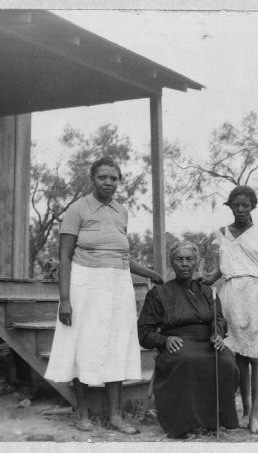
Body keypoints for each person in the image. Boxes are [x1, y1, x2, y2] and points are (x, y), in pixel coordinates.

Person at [44, 156, 164, 434]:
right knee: (83, 345)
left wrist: (150, 274)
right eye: (103, 177)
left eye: (114, 178)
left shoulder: (122, 212)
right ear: (92, 179)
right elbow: (64, 256)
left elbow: (121, 254)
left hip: (118, 285)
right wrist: (65, 299)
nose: (108, 183)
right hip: (85, 284)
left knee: (116, 346)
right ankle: (83, 413)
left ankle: (115, 416)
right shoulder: (77, 209)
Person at [137, 241, 240, 438]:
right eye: (179, 259)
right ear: (172, 264)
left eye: (189, 259)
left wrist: (217, 334)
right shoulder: (158, 293)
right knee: (189, 361)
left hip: (207, 342)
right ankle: (185, 423)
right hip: (178, 342)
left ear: (197, 263)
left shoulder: (208, 291)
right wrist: (164, 340)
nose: (184, 263)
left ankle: (214, 421)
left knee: (227, 362)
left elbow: (218, 318)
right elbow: (144, 332)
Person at [200, 185, 258, 434]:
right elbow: (223, 268)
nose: (241, 209)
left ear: (253, 207)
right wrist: (208, 279)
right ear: (230, 206)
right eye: (237, 205)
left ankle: (255, 415)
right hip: (232, 297)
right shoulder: (222, 234)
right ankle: (244, 411)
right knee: (240, 358)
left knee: (257, 356)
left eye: (246, 205)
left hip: (257, 297)